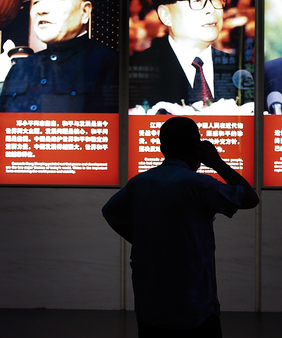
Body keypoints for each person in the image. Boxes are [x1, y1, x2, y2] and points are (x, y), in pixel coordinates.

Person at [102, 116, 259, 337]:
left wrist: (142, 240)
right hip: (194, 305)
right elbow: (250, 198)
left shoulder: (140, 182)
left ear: (162, 147)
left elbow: (110, 212)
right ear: (197, 150)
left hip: (150, 306)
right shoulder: (200, 185)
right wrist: (217, 163)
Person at [0, 0, 118, 113]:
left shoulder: (109, 63)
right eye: (36, 2)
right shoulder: (20, 68)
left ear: (85, 12)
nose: (41, 10)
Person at [129, 0, 239, 110]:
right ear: (165, 15)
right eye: (197, 0)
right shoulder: (134, 71)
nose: (211, 9)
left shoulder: (239, 68)